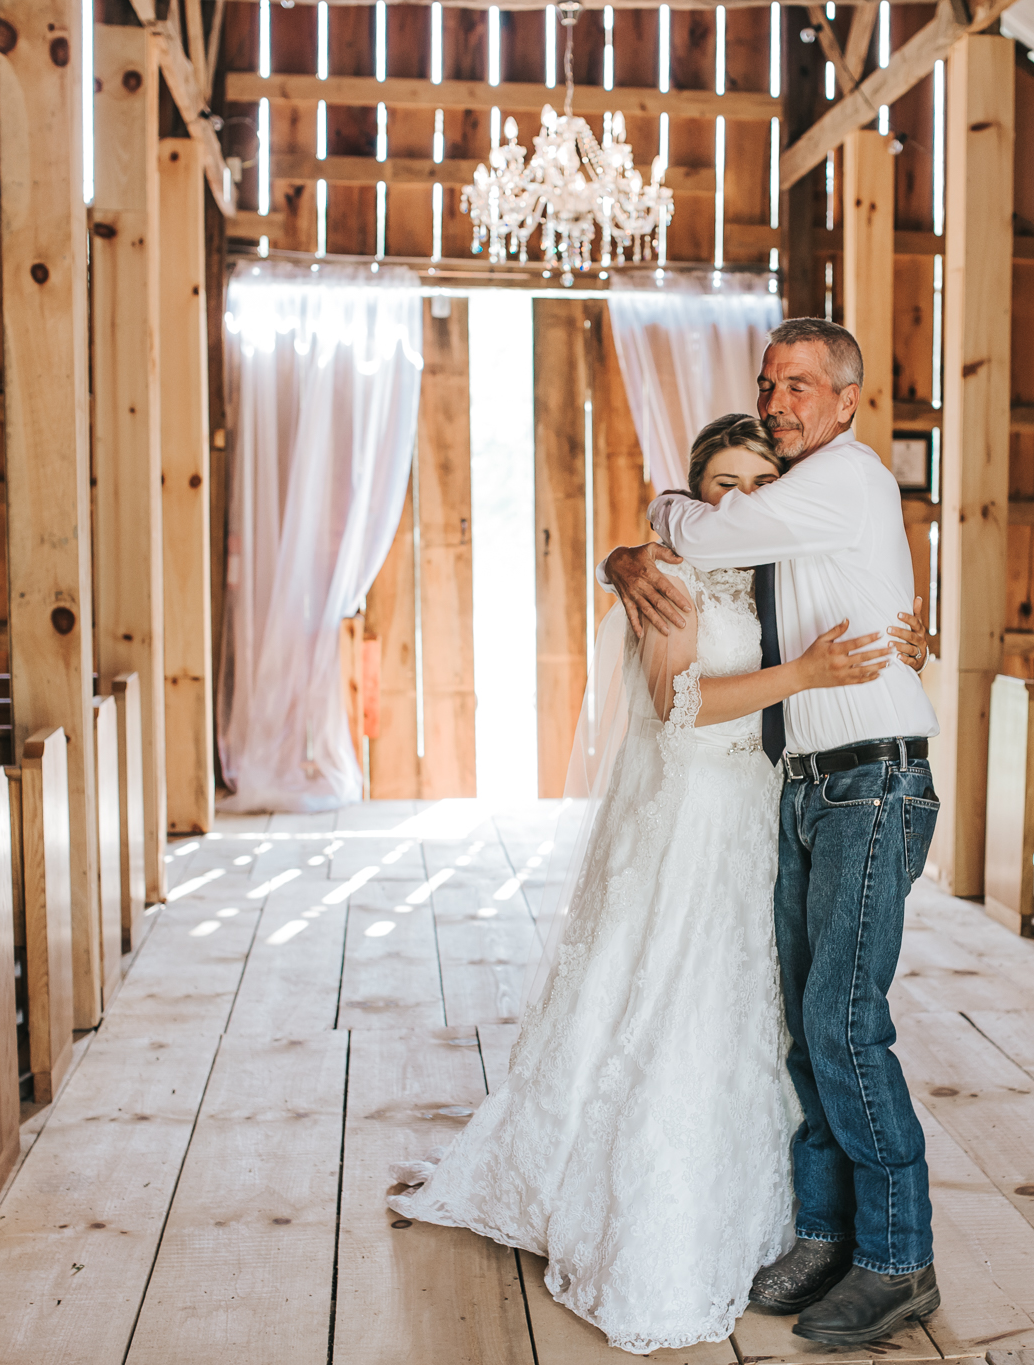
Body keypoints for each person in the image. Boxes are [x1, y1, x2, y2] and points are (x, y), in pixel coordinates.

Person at [386, 415, 899, 1355]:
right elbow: (681, 703)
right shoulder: (669, 573)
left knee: (768, 1007)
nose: (740, 500)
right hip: (697, 812)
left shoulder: (786, 566)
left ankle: (806, 1221)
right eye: (722, 486)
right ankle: (646, 1212)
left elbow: (864, 621)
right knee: (672, 992)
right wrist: (805, 669)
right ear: (696, 495)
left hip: (772, 812)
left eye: (759, 483)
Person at [600, 318, 941, 1348]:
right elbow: (755, 594)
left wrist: (659, 512)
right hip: (809, 783)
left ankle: (897, 1259)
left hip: (871, 782)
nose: (781, 399)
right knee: (805, 1023)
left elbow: (702, 535)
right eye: (768, 383)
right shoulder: (797, 506)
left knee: (843, 1022)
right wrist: (624, 559)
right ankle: (825, 1235)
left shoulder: (845, 478)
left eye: (799, 386)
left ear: (845, 399)